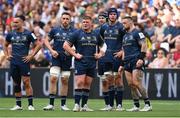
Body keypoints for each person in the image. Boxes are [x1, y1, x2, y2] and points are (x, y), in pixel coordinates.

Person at [63, 15, 107, 112]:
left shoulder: (96, 34)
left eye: (87, 22)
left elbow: (104, 45)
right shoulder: (76, 33)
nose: (85, 24)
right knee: (80, 82)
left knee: (87, 84)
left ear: (91, 23)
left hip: (92, 62)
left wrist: (100, 54)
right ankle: (76, 104)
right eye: (83, 22)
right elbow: (65, 45)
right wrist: (75, 54)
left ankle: (84, 105)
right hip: (80, 62)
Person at [3, 15, 41, 110]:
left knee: (26, 82)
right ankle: (18, 105)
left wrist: (31, 56)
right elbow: (5, 44)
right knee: (16, 83)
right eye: (13, 22)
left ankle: (30, 105)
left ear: (22, 23)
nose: (14, 24)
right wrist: (7, 55)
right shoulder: (10, 34)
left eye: (16, 22)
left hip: (24, 61)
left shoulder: (29, 34)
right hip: (14, 62)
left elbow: (39, 45)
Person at [43, 12, 76, 111]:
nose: (65, 20)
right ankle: (51, 104)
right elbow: (46, 41)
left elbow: (77, 45)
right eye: (64, 18)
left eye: (67, 19)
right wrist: (52, 51)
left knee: (64, 81)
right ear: (61, 20)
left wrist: (73, 50)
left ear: (70, 20)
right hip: (56, 57)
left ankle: (63, 105)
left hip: (67, 58)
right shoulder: (55, 30)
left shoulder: (74, 31)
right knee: (53, 78)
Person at [119, 16, 152, 112]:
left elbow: (144, 44)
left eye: (124, 23)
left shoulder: (138, 32)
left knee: (137, 82)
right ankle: (136, 106)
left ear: (130, 22)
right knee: (131, 84)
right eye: (122, 23)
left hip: (136, 60)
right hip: (127, 62)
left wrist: (141, 58)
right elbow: (124, 50)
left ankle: (147, 104)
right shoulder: (125, 36)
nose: (123, 25)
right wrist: (121, 64)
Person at [98, 8, 125, 111]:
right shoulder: (103, 27)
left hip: (116, 57)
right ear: (108, 16)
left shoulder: (121, 27)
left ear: (116, 15)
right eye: (111, 14)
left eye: (114, 14)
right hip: (106, 57)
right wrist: (101, 53)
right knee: (109, 80)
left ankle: (119, 105)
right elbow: (100, 41)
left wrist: (121, 52)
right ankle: (110, 105)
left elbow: (126, 40)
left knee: (118, 79)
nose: (112, 16)